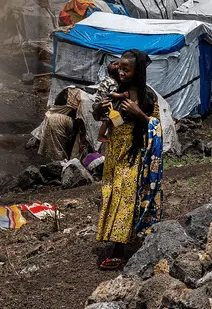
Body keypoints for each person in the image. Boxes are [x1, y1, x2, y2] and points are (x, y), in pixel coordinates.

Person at [93, 50, 164, 270]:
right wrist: (99, 108)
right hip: (114, 153)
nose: (122, 73)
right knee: (112, 195)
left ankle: (118, 250)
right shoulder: (116, 91)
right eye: (120, 68)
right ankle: (122, 239)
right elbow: (100, 117)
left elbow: (157, 127)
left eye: (127, 69)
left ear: (137, 71)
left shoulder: (148, 98)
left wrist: (139, 114)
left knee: (125, 196)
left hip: (135, 154)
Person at [94, 60, 130, 143]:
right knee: (106, 120)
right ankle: (100, 136)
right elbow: (112, 94)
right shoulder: (113, 82)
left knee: (111, 119)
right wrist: (122, 95)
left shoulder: (107, 79)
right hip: (105, 103)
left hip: (101, 101)